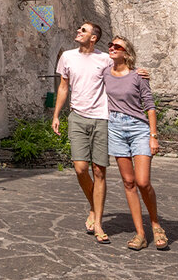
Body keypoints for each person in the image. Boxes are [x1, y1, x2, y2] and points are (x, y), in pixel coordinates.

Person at [50, 21, 115, 243]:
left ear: (93, 37)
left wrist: (141, 74)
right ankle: (93, 206)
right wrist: (56, 115)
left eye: (83, 30)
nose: (78, 31)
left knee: (99, 171)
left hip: (101, 118)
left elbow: (121, 75)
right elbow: (63, 87)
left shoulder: (105, 60)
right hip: (77, 117)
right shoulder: (67, 57)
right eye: (79, 29)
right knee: (80, 168)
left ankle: (97, 222)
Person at [103, 35, 168, 251]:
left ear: (127, 53)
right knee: (128, 182)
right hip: (115, 128)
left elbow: (149, 105)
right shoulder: (104, 73)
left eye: (117, 46)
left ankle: (156, 224)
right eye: (110, 45)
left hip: (138, 128)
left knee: (142, 181)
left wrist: (153, 135)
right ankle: (140, 234)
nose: (112, 48)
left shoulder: (138, 76)